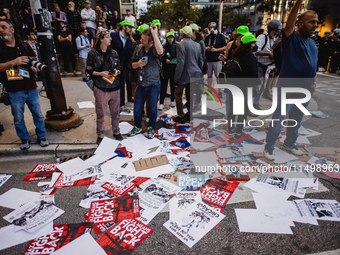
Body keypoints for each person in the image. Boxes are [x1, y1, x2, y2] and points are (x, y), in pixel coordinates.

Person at [263, 0, 318, 160]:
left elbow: (313, 65)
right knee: (278, 120)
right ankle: (269, 147)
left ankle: (289, 144)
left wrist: (313, 82)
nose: (315, 25)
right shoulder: (291, 39)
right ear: (300, 23)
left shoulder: (312, 43)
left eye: (316, 22)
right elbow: (289, 23)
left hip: (305, 90)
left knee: (296, 121)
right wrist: (299, 2)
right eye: (311, 22)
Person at [0, 20, 49, 150]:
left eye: (3, 27)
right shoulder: (0, 48)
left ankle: (42, 136)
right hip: (13, 89)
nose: (1, 30)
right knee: (18, 117)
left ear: (12, 29)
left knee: (38, 114)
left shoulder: (24, 45)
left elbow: (33, 60)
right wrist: (14, 62)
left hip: (30, 86)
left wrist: (34, 68)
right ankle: (24, 138)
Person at [86, 29, 124, 145]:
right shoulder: (93, 53)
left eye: (110, 37)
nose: (110, 39)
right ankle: (100, 134)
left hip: (115, 87)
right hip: (101, 88)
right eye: (107, 37)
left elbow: (120, 67)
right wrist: (101, 73)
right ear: (101, 39)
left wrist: (117, 72)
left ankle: (116, 131)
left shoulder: (114, 53)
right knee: (101, 112)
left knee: (115, 112)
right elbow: (88, 70)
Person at [128, 26, 164, 139]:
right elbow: (131, 65)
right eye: (141, 39)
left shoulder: (154, 49)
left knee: (153, 108)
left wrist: (154, 33)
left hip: (153, 84)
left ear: (151, 41)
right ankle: (137, 126)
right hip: (141, 84)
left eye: (144, 40)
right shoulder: (138, 48)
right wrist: (138, 64)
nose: (141, 41)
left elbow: (160, 51)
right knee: (137, 108)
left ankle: (151, 128)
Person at [226, 33, 260, 138]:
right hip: (244, 85)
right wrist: (258, 82)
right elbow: (253, 73)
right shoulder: (250, 56)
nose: (254, 45)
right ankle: (239, 130)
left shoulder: (236, 53)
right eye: (253, 43)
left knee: (232, 108)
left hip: (233, 84)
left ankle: (231, 128)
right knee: (242, 109)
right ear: (248, 44)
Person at [173, 26, 203, 124]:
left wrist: (176, 78)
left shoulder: (180, 45)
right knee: (190, 94)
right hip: (195, 73)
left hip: (185, 74)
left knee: (177, 94)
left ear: (182, 34)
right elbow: (200, 61)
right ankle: (190, 114)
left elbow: (180, 63)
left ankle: (181, 115)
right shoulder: (197, 45)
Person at [254, 19, 282, 110]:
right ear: (270, 29)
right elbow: (256, 51)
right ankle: (249, 106)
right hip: (259, 67)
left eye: (278, 31)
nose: (276, 33)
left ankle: (256, 103)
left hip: (268, 68)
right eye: (275, 31)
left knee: (263, 87)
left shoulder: (274, 39)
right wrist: (268, 54)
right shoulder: (262, 37)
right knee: (256, 87)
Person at [110, 20, 135, 108]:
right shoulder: (113, 36)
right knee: (112, 85)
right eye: (129, 27)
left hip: (123, 67)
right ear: (124, 27)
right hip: (112, 66)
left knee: (121, 85)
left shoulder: (129, 41)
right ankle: (112, 103)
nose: (131, 30)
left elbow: (130, 54)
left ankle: (121, 104)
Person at [204, 22, 227, 87]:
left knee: (218, 76)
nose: (212, 29)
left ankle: (220, 90)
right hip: (209, 60)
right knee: (209, 76)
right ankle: (209, 89)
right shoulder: (207, 37)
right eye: (210, 27)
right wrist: (206, 48)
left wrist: (216, 50)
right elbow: (203, 46)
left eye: (213, 27)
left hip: (217, 59)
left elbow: (225, 47)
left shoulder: (220, 36)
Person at [159, 31, 177, 110]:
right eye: (169, 37)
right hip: (165, 69)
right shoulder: (163, 47)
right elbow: (160, 57)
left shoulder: (176, 47)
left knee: (173, 85)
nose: (170, 39)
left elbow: (179, 57)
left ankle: (172, 100)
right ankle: (161, 102)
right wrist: (165, 60)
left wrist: (175, 60)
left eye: (172, 37)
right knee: (163, 86)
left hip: (173, 69)